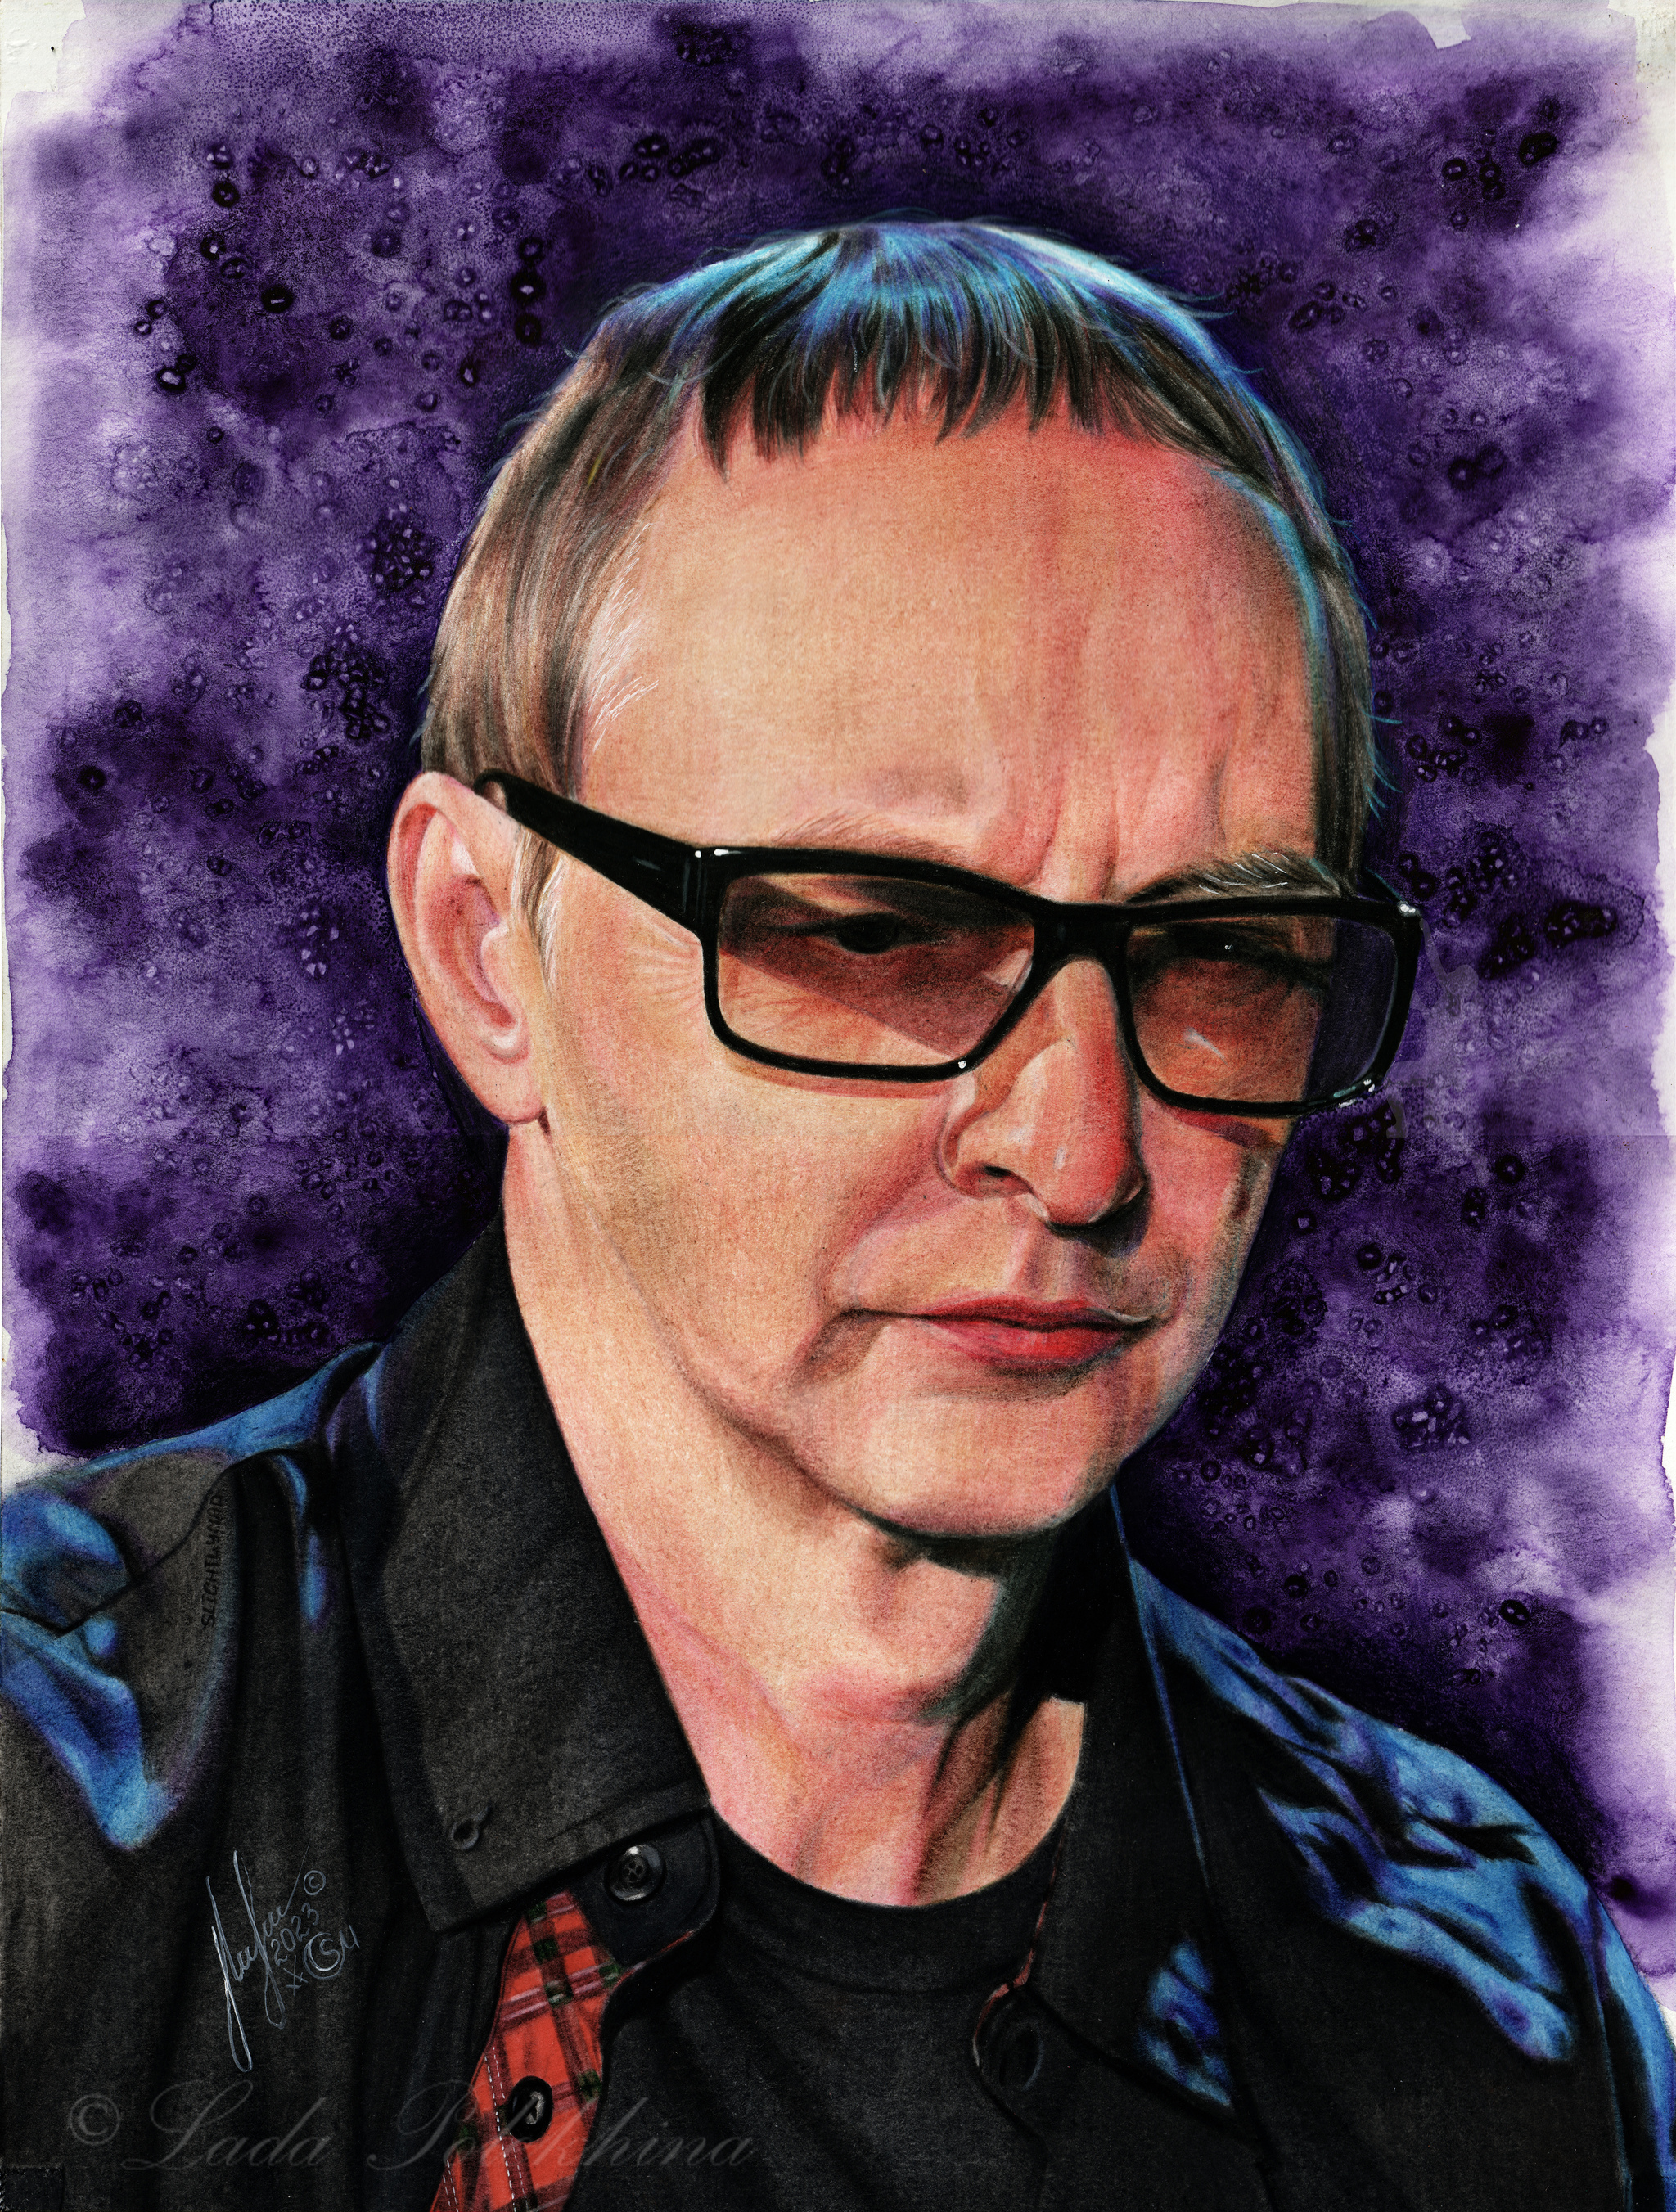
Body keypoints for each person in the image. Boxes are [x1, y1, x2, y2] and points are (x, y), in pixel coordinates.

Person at [2, 221, 1670, 2212]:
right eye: (878, 934)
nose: (1081, 1153)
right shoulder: (46, 1821)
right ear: (487, 948)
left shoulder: (1490, 2020)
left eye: (1222, 954)